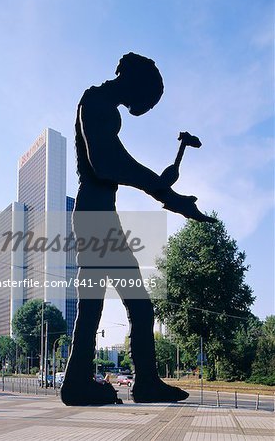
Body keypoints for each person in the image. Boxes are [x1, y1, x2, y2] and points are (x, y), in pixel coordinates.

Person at [61, 52, 215, 406]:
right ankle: (94, 383)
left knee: (117, 303)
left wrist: (167, 192)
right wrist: (162, 189)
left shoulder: (102, 105)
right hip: (95, 213)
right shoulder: (97, 101)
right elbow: (106, 162)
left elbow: (118, 164)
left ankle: (105, 381)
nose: (145, 107)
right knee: (117, 303)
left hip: (99, 212)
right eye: (147, 99)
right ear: (133, 81)